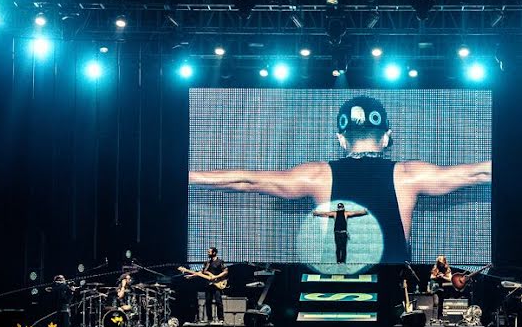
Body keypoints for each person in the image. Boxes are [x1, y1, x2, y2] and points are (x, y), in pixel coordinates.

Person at [189, 96, 491, 263]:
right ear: (386, 137)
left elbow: (247, 180)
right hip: (392, 290)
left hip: (337, 293)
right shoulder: (408, 175)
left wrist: (184, 176)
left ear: (341, 139)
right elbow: (479, 172)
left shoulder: (319, 175)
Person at [201, 247, 228, 324]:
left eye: (209, 252)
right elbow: (202, 272)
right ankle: (209, 319)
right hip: (208, 285)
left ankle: (221, 319)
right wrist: (192, 275)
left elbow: (225, 271)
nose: (208, 253)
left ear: (214, 253)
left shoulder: (220, 261)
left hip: (217, 284)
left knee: (218, 301)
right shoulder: (207, 263)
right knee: (208, 302)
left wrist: (216, 276)